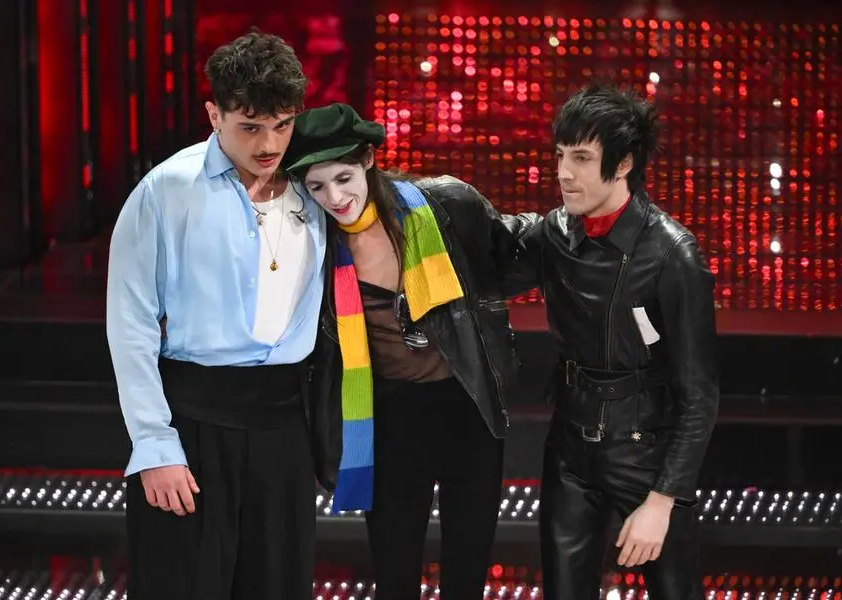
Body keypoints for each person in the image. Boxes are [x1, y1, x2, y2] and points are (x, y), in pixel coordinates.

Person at [106, 31, 331, 600]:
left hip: (283, 425)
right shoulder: (166, 190)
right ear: (214, 114)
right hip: (194, 422)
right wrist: (155, 446)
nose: (269, 143)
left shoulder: (315, 188)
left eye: (282, 125)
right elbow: (129, 323)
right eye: (250, 126)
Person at [282, 103, 526, 599]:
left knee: (467, 576)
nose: (335, 197)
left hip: (468, 411)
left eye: (344, 177)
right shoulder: (312, 244)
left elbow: (517, 251)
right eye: (317, 187)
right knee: (394, 577)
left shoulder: (447, 204)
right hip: (390, 419)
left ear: (369, 158)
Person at [516, 84, 720, 598]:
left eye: (582, 158)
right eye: (560, 155)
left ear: (624, 162)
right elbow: (490, 258)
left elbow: (699, 395)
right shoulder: (554, 233)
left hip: (645, 453)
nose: (564, 172)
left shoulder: (673, 255)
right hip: (569, 446)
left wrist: (663, 499)